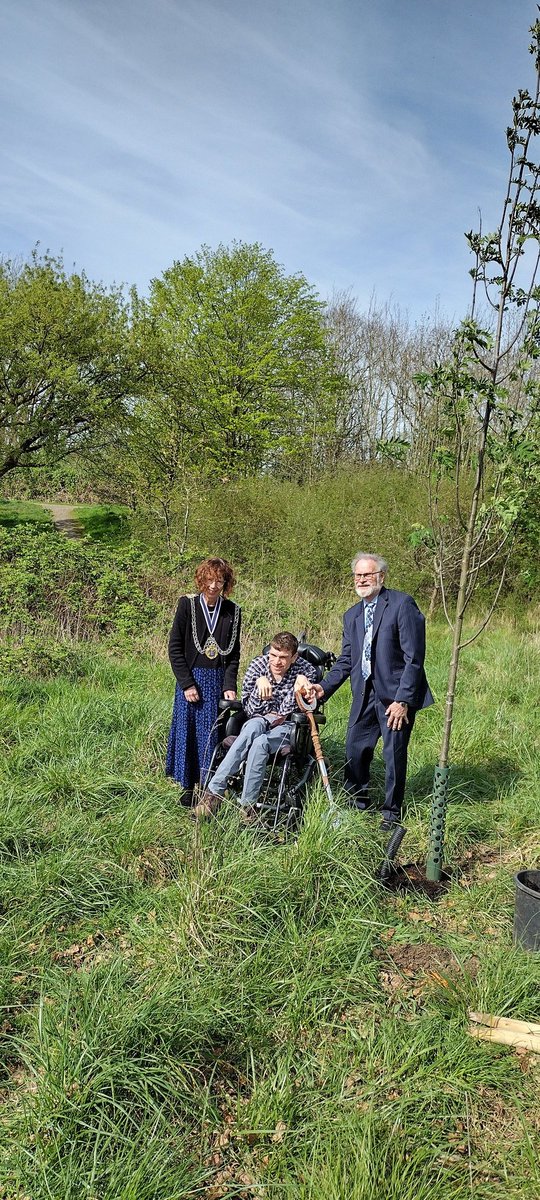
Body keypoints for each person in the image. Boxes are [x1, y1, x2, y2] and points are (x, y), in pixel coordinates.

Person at [311, 553, 433, 830]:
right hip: (364, 693)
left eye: (367, 574)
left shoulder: (402, 604)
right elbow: (346, 661)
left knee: (393, 755)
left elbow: (414, 658)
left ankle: (391, 815)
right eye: (358, 575)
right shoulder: (351, 615)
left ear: (381, 576)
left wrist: (403, 700)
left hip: (395, 697)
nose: (362, 579)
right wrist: (322, 688)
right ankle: (357, 807)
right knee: (355, 749)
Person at [194, 632, 317, 821]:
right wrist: (259, 691)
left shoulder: (306, 670)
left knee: (260, 743)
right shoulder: (257, 666)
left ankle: (247, 808)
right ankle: (214, 793)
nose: (276, 662)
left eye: (283, 658)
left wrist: (301, 687)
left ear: (294, 657)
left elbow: (306, 708)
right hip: (258, 718)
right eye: (273, 655)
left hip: (287, 725)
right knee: (253, 727)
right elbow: (250, 710)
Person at [166, 557, 241, 802]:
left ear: (225, 583)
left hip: (217, 681)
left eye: (219, 581)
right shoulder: (187, 605)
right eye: (209, 580)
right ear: (202, 580)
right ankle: (188, 788)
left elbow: (234, 654)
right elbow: (175, 648)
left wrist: (229, 685)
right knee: (188, 732)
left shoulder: (232, 611)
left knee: (212, 734)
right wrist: (186, 683)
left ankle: (210, 789)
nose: (213, 586)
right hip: (192, 680)